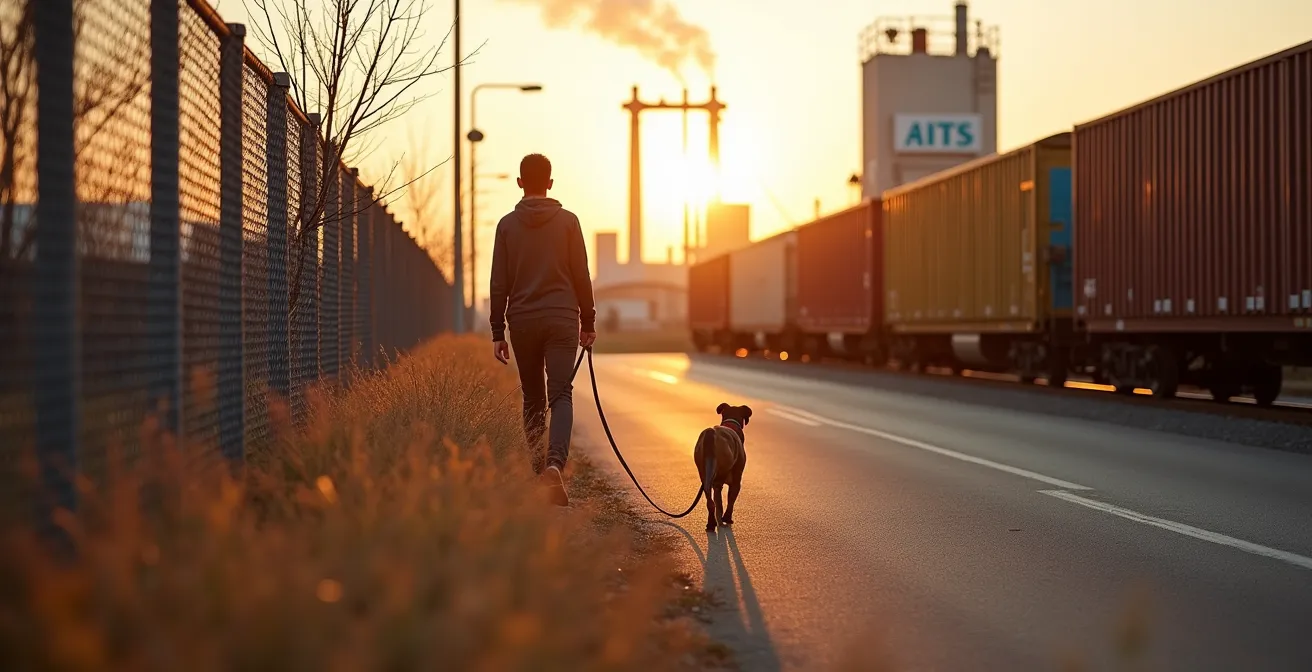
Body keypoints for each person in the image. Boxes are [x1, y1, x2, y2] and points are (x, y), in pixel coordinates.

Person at [489, 153, 597, 506]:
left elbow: (498, 283)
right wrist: (588, 321)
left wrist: (496, 331)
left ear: (520, 183)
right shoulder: (568, 222)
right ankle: (554, 467)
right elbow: (581, 273)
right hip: (562, 318)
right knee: (561, 394)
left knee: (533, 397)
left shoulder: (506, 225)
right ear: (550, 183)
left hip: (522, 321)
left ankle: (540, 472)